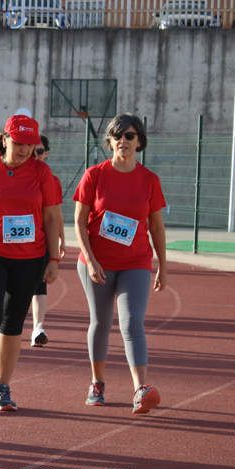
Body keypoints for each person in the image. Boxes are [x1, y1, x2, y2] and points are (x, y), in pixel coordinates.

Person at [0, 114, 62, 413]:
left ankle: (3, 388)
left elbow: (52, 218)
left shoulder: (42, 174)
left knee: (13, 322)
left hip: (30, 258)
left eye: (30, 145)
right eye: (18, 143)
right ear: (5, 140)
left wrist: (54, 258)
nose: (23, 150)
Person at [73, 114, 166, 413]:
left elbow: (157, 227)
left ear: (140, 141)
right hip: (97, 262)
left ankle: (140, 388)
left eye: (129, 136)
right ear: (110, 141)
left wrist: (162, 265)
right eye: (117, 136)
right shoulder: (94, 175)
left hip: (135, 262)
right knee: (100, 322)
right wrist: (90, 260)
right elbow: (78, 222)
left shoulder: (149, 180)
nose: (123, 141)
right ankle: (97, 382)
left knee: (131, 322)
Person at [29, 135, 66, 347]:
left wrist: (60, 238)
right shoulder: (14, 175)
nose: (36, 155)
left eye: (40, 151)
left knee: (40, 285)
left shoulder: (53, 181)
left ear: (47, 153)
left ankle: (38, 327)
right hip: (13, 243)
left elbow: (55, 214)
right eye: (33, 150)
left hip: (41, 240)